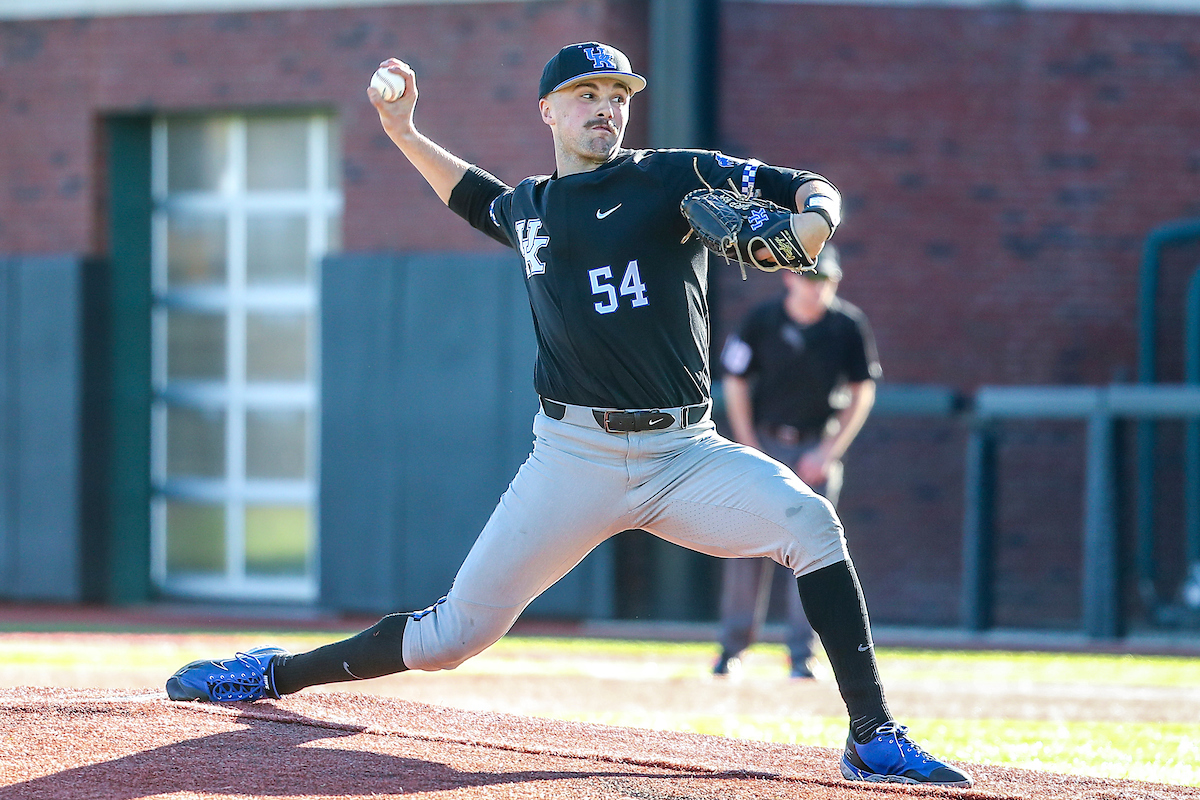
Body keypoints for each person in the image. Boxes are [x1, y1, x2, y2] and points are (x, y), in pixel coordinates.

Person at [164, 42, 973, 788]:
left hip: (685, 453)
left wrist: (814, 219)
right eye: (585, 92)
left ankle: (871, 736)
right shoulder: (532, 208)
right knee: (449, 640)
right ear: (547, 110)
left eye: (618, 93)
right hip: (573, 457)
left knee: (812, 525)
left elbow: (803, 187)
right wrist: (403, 128)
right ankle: (273, 673)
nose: (606, 106)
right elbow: (473, 197)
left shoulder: (670, 176)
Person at [712, 244, 880, 681]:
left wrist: (829, 451)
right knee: (745, 545)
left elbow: (863, 390)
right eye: (809, 278)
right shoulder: (762, 319)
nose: (817, 287)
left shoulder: (847, 325)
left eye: (825, 280)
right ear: (789, 277)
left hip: (814, 451)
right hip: (765, 442)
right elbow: (733, 381)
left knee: (814, 553)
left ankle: (802, 656)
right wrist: (748, 448)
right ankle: (732, 650)